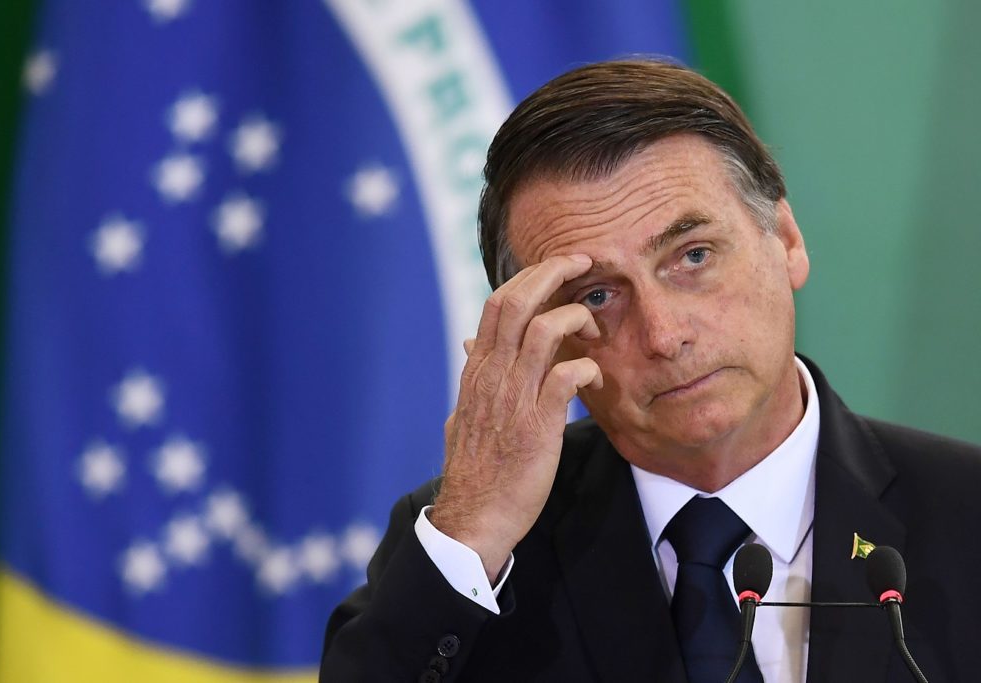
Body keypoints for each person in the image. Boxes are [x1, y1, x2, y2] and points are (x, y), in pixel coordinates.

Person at [320, 59, 981, 682]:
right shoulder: (478, 548)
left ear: (786, 241)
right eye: (597, 296)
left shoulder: (966, 512)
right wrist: (473, 528)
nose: (664, 335)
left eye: (692, 256)